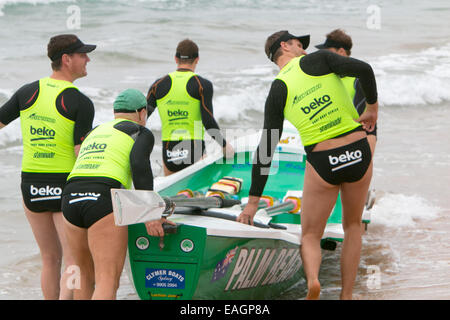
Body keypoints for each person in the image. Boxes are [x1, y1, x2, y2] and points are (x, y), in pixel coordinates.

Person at [237, 30, 378, 300]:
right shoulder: (321, 60)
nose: (304, 49)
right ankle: (346, 295)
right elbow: (365, 69)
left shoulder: (278, 89)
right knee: (351, 227)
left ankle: (314, 281)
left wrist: (253, 202)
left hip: (323, 160)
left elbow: (267, 146)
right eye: (300, 44)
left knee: (312, 235)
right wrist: (372, 108)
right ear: (285, 46)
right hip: (358, 152)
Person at [0, 34, 96, 300]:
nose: (88, 59)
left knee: (49, 258)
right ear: (67, 59)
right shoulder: (80, 102)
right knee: (74, 259)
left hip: (30, 184)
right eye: (82, 55)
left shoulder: (26, 92)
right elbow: (81, 153)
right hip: (64, 185)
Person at [62, 89, 170, 299]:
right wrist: (150, 214)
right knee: (107, 280)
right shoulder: (139, 131)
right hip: (102, 197)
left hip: (70, 196)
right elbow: (139, 166)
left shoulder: (95, 131)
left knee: (83, 276)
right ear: (141, 113)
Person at [146, 38, 234, 176]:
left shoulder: (158, 85)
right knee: (195, 192)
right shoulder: (201, 84)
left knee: (173, 193)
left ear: (176, 59)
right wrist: (224, 145)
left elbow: (142, 117)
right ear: (197, 59)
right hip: (194, 149)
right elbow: (208, 121)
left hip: (169, 150)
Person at [315, 29, 377, 152]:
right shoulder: (328, 79)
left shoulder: (359, 79)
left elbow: (368, 124)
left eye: (328, 53)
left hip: (354, 145)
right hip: (330, 143)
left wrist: (367, 156)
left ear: (341, 52)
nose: (325, 57)